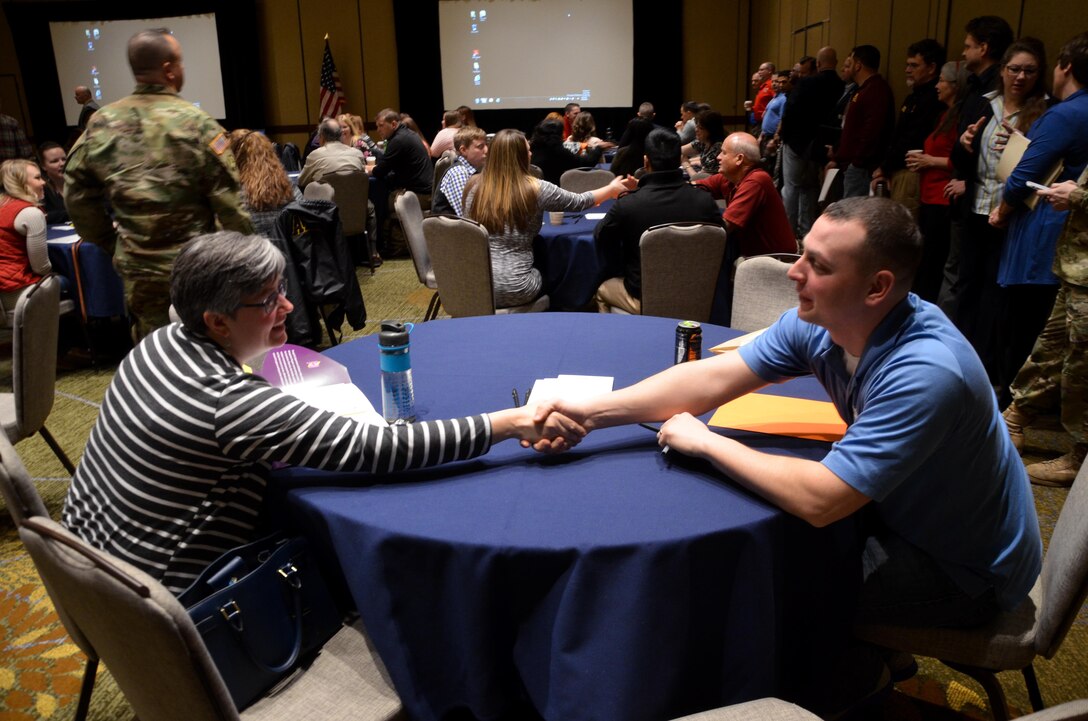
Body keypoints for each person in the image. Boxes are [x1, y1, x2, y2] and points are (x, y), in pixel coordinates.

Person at [533, 196, 1041, 637]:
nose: (794, 272)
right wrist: (592, 413)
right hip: (899, 515)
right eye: (802, 254)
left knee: (751, 589)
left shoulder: (926, 372)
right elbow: (711, 379)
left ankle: (841, 684)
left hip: (963, 569)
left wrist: (707, 442)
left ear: (876, 287)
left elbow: (822, 499)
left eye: (818, 265)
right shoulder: (824, 321)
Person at [61, 231, 584, 594]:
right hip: (187, 602)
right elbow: (382, 449)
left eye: (281, 290)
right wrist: (512, 422)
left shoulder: (159, 343)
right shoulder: (228, 404)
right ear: (217, 322)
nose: (287, 308)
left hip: (100, 574)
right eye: (267, 301)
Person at [64, 28, 253, 339]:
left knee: (153, 349)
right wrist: (245, 267)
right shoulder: (198, 123)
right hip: (195, 268)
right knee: (206, 346)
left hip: (139, 267)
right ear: (168, 69)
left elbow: (77, 197)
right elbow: (231, 207)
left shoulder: (100, 124)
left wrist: (113, 244)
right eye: (180, 63)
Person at [1002, 31, 1088, 487]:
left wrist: (1079, 195)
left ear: (1064, 67)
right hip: (1075, 261)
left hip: (1074, 255)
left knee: (1077, 358)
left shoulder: (1067, 114)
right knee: (1053, 344)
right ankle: (1014, 418)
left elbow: (1021, 178)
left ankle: (1079, 453)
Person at [955, 39, 1049, 389]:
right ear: (1003, 70)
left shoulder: (1043, 111)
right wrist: (964, 144)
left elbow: (1045, 166)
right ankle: (957, 361)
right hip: (976, 209)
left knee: (998, 299)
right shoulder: (983, 103)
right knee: (967, 288)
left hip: (1011, 215)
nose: (1020, 77)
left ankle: (988, 373)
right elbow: (960, 160)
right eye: (1014, 69)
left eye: (1029, 70)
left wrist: (1022, 144)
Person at [464, 129, 636, 309]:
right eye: (527, 150)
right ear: (520, 157)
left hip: (477, 286)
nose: (531, 153)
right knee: (558, 273)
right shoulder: (534, 188)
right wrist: (611, 189)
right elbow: (579, 201)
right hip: (518, 288)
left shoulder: (472, 186)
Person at [594, 128, 723, 314]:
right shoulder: (705, 202)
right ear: (679, 159)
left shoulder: (629, 205)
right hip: (699, 298)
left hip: (644, 298)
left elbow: (601, 237)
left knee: (601, 290)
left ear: (646, 161)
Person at [907, 61, 967, 302]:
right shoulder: (944, 115)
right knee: (926, 259)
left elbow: (960, 161)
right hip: (929, 195)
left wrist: (929, 160)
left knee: (935, 262)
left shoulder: (962, 117)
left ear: (956, 85)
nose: (937, 86)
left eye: (942, 80)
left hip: (943, 198)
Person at [871, 39, 947, 210]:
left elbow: (912, 138)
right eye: (907, 65)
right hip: (898, 170)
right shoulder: (913, 97)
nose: (907, 70)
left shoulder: (934, 99)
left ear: (931, 68)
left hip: (912, 173)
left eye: (914, 65)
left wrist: (885, 167)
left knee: (905, 226)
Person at [694, 132, 797, 259]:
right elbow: (694, 188)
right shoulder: (730, 177)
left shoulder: (756, 181)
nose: (718, 157)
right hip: (755, 257)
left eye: (724, 153)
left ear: (739, 159)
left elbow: (725, 226)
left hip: (777, 261)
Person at [778, 46, 845, 239]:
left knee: (791, 187)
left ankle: (787, 233)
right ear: (837, 63)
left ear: (818, 63)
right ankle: (806, 230)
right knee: (810, 188)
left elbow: (790, 111)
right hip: (822, 146)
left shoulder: (807, 83)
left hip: (797, 142)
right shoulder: (842, 86)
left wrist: (785, 137)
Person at [832, 45, 896, 198]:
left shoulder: (876, 89)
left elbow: (872, 130)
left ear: (858, 65)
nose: (847, 66)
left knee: (855, 215)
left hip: (861, 168)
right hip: (852, 165)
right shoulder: (862, 89)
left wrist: (857, 161)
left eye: (851, 62)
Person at [368, 107, 434, 255]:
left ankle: (392, 247)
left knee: (380, 202)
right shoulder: (408, 134)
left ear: (393, 124)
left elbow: (380, 171)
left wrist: (368, 169)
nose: (378, 130)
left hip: (421, 195)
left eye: (381, 125)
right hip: (425, 190)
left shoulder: (398, 140)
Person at [228, 129, 302, 238]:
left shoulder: (234, 189)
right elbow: (303, 213)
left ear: (235, 155)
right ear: (270, 152)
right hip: (288, 248)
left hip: (251, 250)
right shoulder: (287, 183)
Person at [0, 159, 50, 316]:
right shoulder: (30, 213)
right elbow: (41, 267)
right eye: (37, 178)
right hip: (14, 291)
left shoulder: (2, 205)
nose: (43, 182)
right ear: (21, 183)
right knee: (72, 280)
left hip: (3, 290)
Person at [432, 125, 488, 217]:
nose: (486, 150)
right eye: (480, 147)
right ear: (463, 150)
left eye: (486, 145)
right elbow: (467, 215)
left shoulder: (473, 170)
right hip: (451, 230)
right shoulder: (459, 173)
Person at [297, 116, 365, 189]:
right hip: (355, 199)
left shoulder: (315, 156)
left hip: (324, 200)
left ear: (322, 137)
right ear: (341, 136)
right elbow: (362, 177)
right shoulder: (357, 154)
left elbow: (301, 181)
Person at [528, 118, 602, 186]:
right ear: (557, 134)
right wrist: (598, 148)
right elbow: (585, 164)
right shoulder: (557, 151)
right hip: (554, 194)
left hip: (532, 191)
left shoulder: (531, 148)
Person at [681, 110, 726, 175]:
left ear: (711, 130)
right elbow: (679, 150)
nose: (696, 130)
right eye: (696, 126)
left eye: (700, 128)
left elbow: (699, 180)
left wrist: (686, 164)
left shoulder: (718, 148)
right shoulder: (702, 141)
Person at [38, 141, 69, 224]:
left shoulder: (80, 182)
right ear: (43, 166)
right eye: (55, 161)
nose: (62, 164)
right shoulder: (41, 188)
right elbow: (42, 217)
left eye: (64, 159)